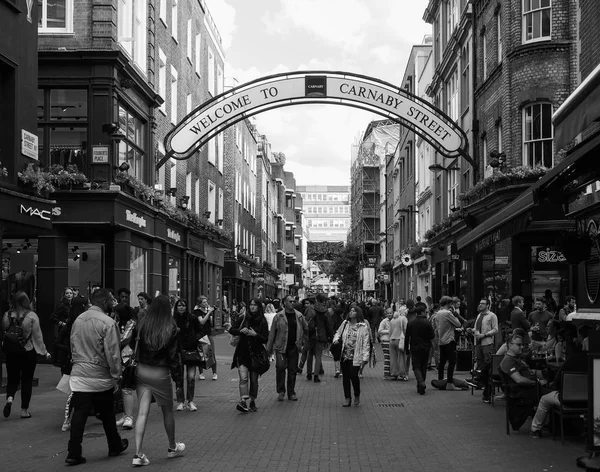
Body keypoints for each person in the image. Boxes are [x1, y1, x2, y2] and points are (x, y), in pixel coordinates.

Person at [65, 289, 128, 465]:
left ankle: (73, 452)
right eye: (111, 300)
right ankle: (114, 445)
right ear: (104, 302)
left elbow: (73, 344)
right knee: (107, 411)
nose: (113, 303)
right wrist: (117, 375)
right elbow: (113, 353)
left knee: (80, 413)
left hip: (79, 373)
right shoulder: (108, 322)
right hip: (99, 374)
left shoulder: (79, 320)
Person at [131, 295, 185, 466]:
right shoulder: (170, 328)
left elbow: (133, 344)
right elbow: (174, 357)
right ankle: (171, 447)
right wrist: (178, 380)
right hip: (161, 373)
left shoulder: (143, 325)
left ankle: (138, 454)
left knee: (141, 412)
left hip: (143, 370)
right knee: (167, 411)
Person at [529, 328, 588, 438]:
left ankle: (535, 429)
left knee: (544, 400)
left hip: (567, 399)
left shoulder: (572, 360)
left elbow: (559, 379)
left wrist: (554, 385)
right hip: (590, 400)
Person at [2, 291, 52, 420]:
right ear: (26, 301)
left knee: (12, 378)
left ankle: (10, 399)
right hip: (27, 351)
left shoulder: (7, 315)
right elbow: (38, 336)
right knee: (27, 380)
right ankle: (24, 410)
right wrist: (44, 352)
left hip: (11, 352)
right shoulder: (31, 316)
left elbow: (4, 332)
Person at [54, 296, 90, 432]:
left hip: (74, 361)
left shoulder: (72, 323)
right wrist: (71, 349)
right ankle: (67, 420)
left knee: (75, 391)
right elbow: (57, 343)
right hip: (77, 362)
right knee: (75, 392)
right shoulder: (78, 324)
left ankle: (68, 419)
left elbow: (57, 343)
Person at [500, 333, 547, 431]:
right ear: (509, 345)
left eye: (522, 344)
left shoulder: (516, 358)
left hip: (530, 387)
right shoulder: (508, 361)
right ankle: (541, 427)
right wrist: (537, 383)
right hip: (524, 391)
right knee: (551, 395)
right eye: (518, 344)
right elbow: (519, 380)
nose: (521, 347)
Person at [230, 298, 269, 412]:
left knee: (254, 380)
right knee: (243, 378)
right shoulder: (243, 318)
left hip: (256, 354)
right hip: (242, 352)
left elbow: (265, 339)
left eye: (254, 305)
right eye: (250, 305)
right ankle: (243, 401)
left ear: (258, 307)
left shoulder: (262, 321)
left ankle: (252, 400)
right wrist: (240, 331)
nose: (252, 307)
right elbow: (232, 329)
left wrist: (254, 334)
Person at [266, 295, 307, 402]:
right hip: (280, 347)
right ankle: (281, 391)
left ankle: (291, 392)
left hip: (294, 347)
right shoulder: (278, 316)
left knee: (292, 370)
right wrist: (268, 348)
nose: (292, 303)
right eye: (289, 301)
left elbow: (306, 329)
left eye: (293, 301)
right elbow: (272, 333)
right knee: (280, 368)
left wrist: (302, 341)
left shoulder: (299, 316)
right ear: (284, 303)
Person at [332, 305, 370, 407]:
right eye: (350, 311)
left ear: (358, 313)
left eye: (354, 311)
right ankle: (347, 398)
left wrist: (365, 358)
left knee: (354, 376)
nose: (351, 312)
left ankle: (357, 394)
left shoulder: (363, 327)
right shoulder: (345, 324)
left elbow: (366, 343)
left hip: (356, 356)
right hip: (344, 356)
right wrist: (335, 340)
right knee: (345, 378)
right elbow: (338, 333)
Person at [173, 299, 202, 412]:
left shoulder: (192, 318)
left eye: (183, 305)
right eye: (179, 306)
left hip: (191, 351)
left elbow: (200, 331)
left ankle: (190, 401)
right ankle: (180, 401)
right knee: (179, 378)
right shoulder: (173, 320)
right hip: (178, 351)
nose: (181, 308)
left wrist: (193, 338)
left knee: (191, 377)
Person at [404, 305, 435, 395]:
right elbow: (432, 336)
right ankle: (421, 385)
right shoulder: (427, 323)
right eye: (425, 311)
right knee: (423, 367)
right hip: (426, 348)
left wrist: (406, 348)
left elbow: (407, 337)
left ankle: (420, 383)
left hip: (415, 348)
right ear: (422, 312)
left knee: (416, 366)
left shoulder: (411, 323)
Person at [436, 296, 462, 390]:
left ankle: (440, 381)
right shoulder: (447, 313)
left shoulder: (438, 313)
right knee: (452, 361)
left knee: (442, 361)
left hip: (441, 340)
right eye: (451, 303)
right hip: (449, 339)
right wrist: (454, 314)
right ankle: (450, 383)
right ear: (448, 304)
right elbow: (458, 324)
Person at [311, 293, 334, 382]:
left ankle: (310, 372)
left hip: (312, 335)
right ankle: (316, 374)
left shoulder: (312, 310)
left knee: (311, 354)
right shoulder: (326, 312)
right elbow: (329, 326)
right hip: (322, 335)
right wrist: (330, 338)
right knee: (318, 355)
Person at [194, 296, 218, 381]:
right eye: (204, 302)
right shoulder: (197, 312)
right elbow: (202, 322)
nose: (206, 303)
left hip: (208, 334)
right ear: (200, 304)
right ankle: (201, 373)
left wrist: (210, 312)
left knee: (211, 353)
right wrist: (209, 313)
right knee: (202, 354)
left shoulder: (208, 310)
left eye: (206, 301)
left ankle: (214, 373)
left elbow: (210, 323)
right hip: (201, 334)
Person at [472, 298, 498, 370]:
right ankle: (480, 378)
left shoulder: (492, 316)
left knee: (488, 362)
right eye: (480, 303)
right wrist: (471, 330)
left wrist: (484, 335)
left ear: (488, 305)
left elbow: (495, 329)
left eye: (483, 303)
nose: (480, 305)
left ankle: (488, 379)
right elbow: (476, 328)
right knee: (479, 362)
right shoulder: (479, 315)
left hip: (487, 343)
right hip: (477, 343)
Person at [297, 296, 316, 378]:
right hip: (313, 335)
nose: (306, 305)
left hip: (309, 335)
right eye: (305, 303)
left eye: (307, 303)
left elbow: (306, 323)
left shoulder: (309, 310)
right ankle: (318, 369)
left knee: (306, 351)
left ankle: (301, 368)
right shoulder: (314, 309)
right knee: (314, 353)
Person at [389, 306, 408, 381]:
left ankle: (394, 373)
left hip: (392, 340)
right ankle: (402, 373)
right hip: (400, 340)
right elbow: (406, 329)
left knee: (393, 358)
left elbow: (390, 331)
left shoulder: (393, 320)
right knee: (401, 357)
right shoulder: (403, 318)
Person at [378, 308, 393, 379]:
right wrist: (388, 331)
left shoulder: (394, 321)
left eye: (391, 313)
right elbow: (380, 331)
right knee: (387, 357)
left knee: (390, 357)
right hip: (385, 340)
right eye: (388, 313)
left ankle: (389, 373)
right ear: (386, 314)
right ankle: (386, 374)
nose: (390, 314)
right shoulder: (384, 321)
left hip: (391, 340)